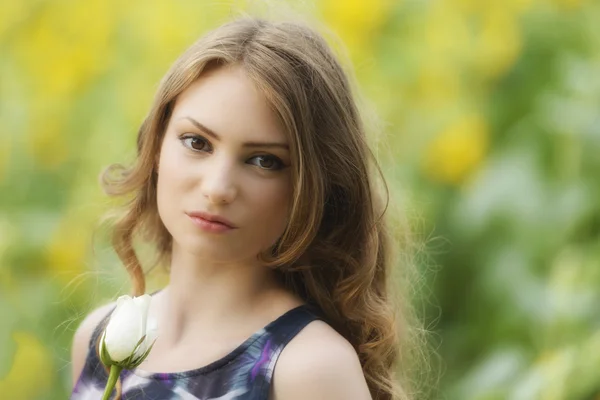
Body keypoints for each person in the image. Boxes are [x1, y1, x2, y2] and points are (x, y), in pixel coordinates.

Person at [70, 16, 419, 400]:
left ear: (312, 188)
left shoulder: (309, 368)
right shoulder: (100, 340)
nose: (218, 188)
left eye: (264, 161)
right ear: (156, 145)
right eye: (197, 143)